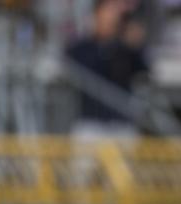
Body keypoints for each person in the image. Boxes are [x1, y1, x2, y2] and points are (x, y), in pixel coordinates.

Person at [65, 0, 151, 138]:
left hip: (121, 124)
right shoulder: (82, 48)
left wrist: (134, 45)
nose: (110, 18)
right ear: (96, 15)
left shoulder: (126, 49)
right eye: (107, 12)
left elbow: (144, 70)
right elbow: (75, 63)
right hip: (90, 124)